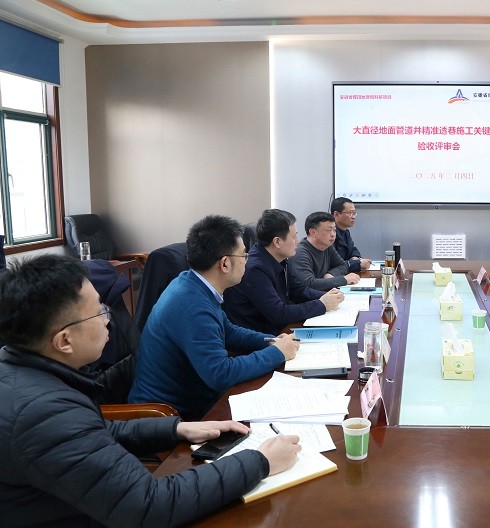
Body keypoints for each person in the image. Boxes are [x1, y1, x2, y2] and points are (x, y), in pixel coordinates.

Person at [0, 254, 301, 527]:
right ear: (64, 340)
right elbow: (148, 504)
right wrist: (260, 461)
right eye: (99, 312)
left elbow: (97, 431)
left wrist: (178, 429)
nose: (107, 320)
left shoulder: (24, 374)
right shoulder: (43, 413)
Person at [129, 215, 300, 420]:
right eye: (244, 255)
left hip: (196, 398)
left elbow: (228, 331)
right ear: (225, 263)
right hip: (169, 417)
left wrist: (272, 341)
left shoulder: (192, 283)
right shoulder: (192, 305)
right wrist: (277, 353)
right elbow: (221, 374)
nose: (247, 261)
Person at [224, 209, 345, 333]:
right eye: (294, 236)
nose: (298, 240)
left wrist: (328, 296)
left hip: (279, 328)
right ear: (277, 242)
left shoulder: (279, 258)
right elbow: (278, 313)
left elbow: (298, 290)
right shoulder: (255, 269)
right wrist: (321, 304)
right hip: (262, 335)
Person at [289, 211, 360, 291]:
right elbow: (309, 284)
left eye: (334, 230)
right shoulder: (300, 253)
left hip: (322, 293)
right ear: (313, 232)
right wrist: (344, 280)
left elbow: (343, 265)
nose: (333, 234)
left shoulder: (327, 247)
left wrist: (331, 274)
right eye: (329, 230)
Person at [331, 197, 372, 273]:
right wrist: (357, 264)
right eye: (350, 213)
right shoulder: (330, 234)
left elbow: (352, 249)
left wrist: (355, 257)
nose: (353, 217)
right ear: (336, 214)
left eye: (354, 213)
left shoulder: (345, 232)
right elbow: (335, 264)